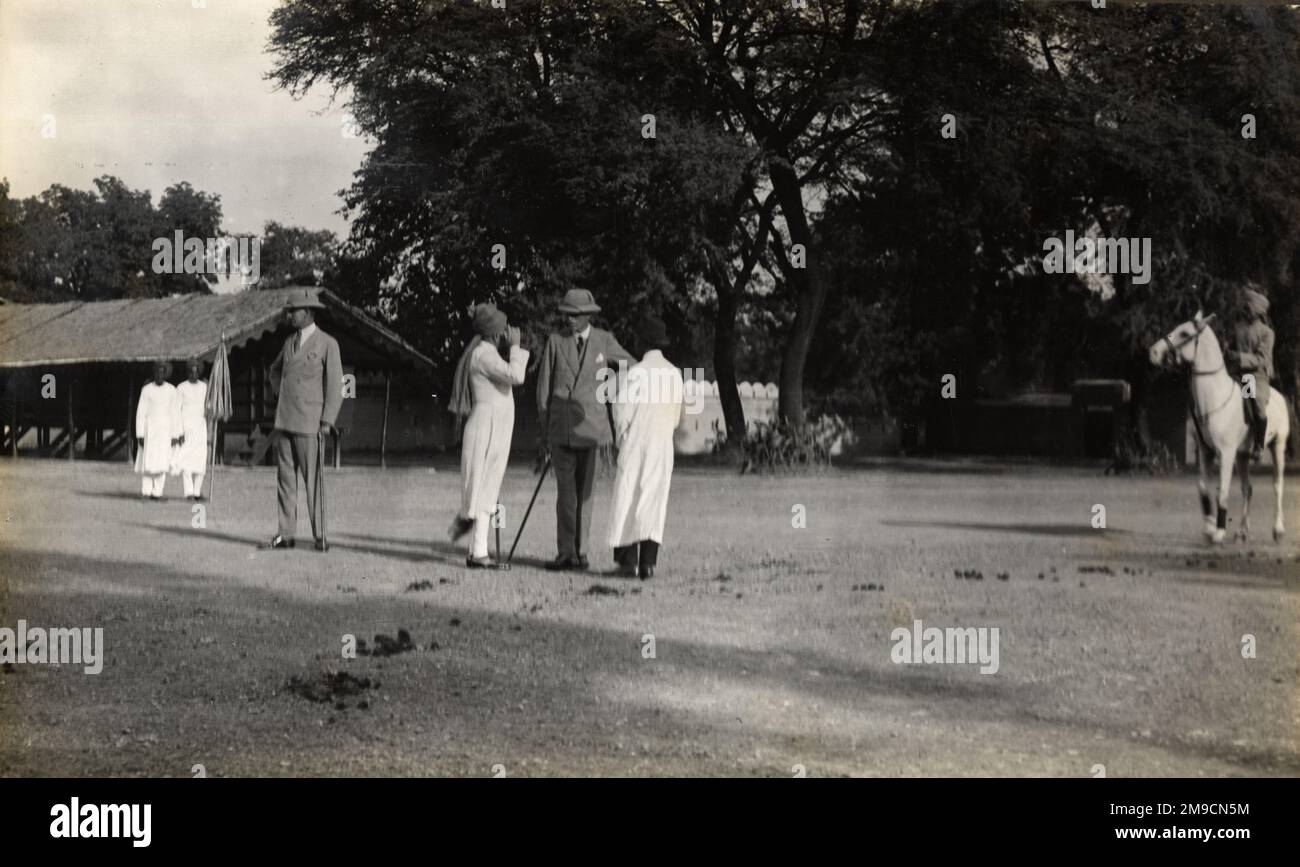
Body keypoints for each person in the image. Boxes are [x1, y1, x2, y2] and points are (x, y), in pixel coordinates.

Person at [535, 289, 635, 571]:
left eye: (575, 315)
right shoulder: (555, 341)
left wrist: (611, 388)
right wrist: (545, 433)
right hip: (561, 431)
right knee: (566, 496)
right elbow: (543, 391)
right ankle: (566, 553)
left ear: (588, 315)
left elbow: (635, 368)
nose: (569, 320)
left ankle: (582, 552)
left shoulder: (605, 340)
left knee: (586, 496)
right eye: (566, 314)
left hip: (593, 431)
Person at [259, 289, 344, 552]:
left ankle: (321, 535)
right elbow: (275, 371)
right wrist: (279, 390)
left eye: (293, 311)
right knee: (285, 480)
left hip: (310, 422)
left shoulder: (327, 343)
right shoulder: (288, 342)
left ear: (307, 312)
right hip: (285, 420)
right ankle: (286, 534)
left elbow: (335, 386)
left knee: (313, 481)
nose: (289, 315)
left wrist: (327, 421)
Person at [447, 303, 528, 568]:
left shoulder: (487, 352)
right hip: (488, 426)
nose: (507, 331)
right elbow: (516, 375)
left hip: (493, 425)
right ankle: (476, 546)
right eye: (503, 328)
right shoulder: (485, 355)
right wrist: (516, 346)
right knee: (483, 488)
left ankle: (477, 549)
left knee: (487, 489)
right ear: (494, 332)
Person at [607, 314, 684, 580]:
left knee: (628, 497)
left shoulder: (636, 373)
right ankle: (648, 562)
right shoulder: (674, 375)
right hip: (662, 444)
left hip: (637, 442)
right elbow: (676, 416)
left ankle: (627, 561)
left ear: (642, 343)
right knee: (654, 499)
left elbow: (621, 411)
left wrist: (622, 438)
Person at [1225, 284, 1276, 461]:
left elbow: (1262, 358)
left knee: (1257, 406)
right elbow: (1229, 345)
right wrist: (1226, 350)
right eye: (1245, 306)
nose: (1246, 310)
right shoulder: (1237, 327)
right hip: (1236, 373)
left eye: (1249, 307)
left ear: (1258, 310)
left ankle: (1259, 445)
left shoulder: (1267, 333)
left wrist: (1239, 357)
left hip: (1254, 376)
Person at [135, 361, 179, 501]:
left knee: (162, 461)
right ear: (154, 373)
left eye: (162, 372)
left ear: (166, 374)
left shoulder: (172, 390)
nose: (160, 374)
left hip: (166, 431)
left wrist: (175, 434)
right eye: (157, 372)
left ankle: (157, 493)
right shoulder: (147, 389)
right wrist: (140, 434)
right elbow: (141, 412)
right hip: (150, 430)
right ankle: (146, 492)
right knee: (148, 461)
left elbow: (175, 413)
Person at [174, 357, 209, 501]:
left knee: (200, 459)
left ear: (199, 373)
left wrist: (214, 411)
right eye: (191, 372)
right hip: (186, 426)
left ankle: (197, 491)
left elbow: (208, 406)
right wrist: (179, 431)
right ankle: (188, 492)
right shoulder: (181, 388)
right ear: (188, 373)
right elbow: (176, 410)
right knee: (187, 459)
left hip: (200, 427)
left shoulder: (204, 387)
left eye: (196, 372)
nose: (193, 375)